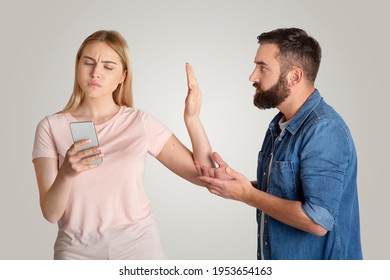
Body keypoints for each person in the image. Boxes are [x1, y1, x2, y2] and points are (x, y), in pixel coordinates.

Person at [32, 30, 213, 260]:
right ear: (78, 66)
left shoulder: (139, 123)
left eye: (108, 67)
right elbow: (50, 213)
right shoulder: (51, 127)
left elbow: (206, 176)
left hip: (139, 249)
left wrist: (193, 120)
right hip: (76, 253)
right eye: (88, 62)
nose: (96, 72)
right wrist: (66, 173)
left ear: (122, 77)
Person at [197, 28, 363, 260]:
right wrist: (241, 185)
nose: (252, 76)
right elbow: (285, 190)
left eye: (262, 67)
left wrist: (247, 195)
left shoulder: (324, 130)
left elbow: (317, 221)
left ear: (294, 76)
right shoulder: (279, 126)